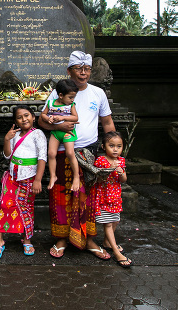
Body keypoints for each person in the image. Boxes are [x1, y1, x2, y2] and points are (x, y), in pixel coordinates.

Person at [37, 50, 115, 260]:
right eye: (79, 69)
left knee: (86, 198)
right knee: (60, 195)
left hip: (88, 152)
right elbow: (42, 121)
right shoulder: (58, 93)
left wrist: (113, 154)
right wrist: (61, 126)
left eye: (87, 69)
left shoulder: (98, 93)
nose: (83, 73)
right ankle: (62, 238)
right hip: (62, 151)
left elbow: (107, 123)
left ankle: (89, 239)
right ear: (69, 71)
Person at [0, 105, 47, 260]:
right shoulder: (14, 134)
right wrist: (7, 139)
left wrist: (38, 180)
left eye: (27, 115)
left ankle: (27, 239)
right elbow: (8, 156)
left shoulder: (38, 134)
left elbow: (42, 158)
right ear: (15, 121)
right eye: (20, 117)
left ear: (33, 117)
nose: (24, 119)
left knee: (26, 207)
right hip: (12, 177)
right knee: (5, 205)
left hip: (29, 177)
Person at [93, 131, 131, 268]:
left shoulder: (121, 160)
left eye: (119, 146)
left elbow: (124, 180)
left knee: (115, 220)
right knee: (108, 223)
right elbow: (97, 178)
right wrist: (109, 168)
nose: (115, 149)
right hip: (104, 196)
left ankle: (106, 243)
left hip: (115, 196)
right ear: (104, 147)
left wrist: (121, 173)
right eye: (112, 146)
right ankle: (116, 251)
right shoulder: (101, 161)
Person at [39, 79, 79, 192]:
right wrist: (49, 119)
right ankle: (53, 176)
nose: (72, 99)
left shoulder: (71, 105)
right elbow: (43, 114)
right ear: (60, 95)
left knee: (70, 153)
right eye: (70, 97)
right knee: (51, 153)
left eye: (73, 97)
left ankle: (76, 177)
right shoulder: (51, 103)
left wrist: (62, 118)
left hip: (68, 132)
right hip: (56, 132)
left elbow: (75, 117)